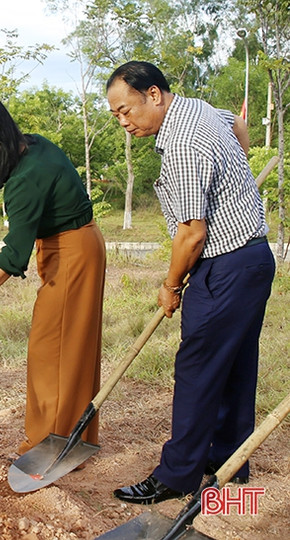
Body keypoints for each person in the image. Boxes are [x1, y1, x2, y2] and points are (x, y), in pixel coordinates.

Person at [106, 61, 275, 504]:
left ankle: (177, 476)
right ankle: (229, 462)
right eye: (116, 116)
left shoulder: (181, 144)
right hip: (255, 258)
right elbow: (236, 123)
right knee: (235, 365)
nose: (124, 123)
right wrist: (238, 182)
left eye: (126, 111)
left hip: (223, 266)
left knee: (197, 369)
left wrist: (170, 284)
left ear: (154, 95)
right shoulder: (198, 109)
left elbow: (191, 233)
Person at [0, 97, 106, 454]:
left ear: (1, 134)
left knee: (52, 350)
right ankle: (74, 440)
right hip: (76, 245)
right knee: (71, 347)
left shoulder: (27, 178)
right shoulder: (33, 145)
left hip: (72, 253)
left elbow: (13, 255)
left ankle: (46, 445)